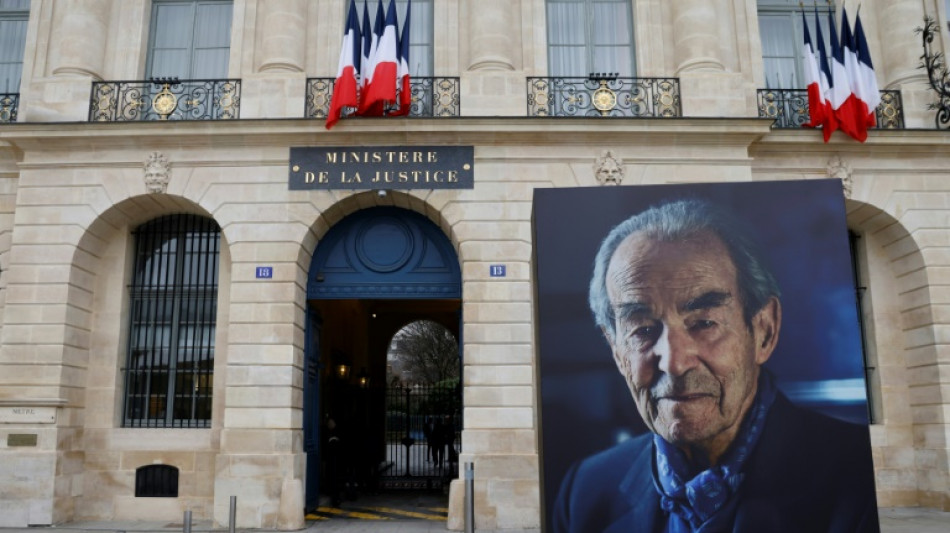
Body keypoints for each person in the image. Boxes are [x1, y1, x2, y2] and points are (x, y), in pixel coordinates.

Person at [552, 198, 879, 533]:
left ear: (764, 331)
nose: (675, 363)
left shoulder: (865, 479)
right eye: (644, 330)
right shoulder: (585, 493)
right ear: (617, 351)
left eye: (704, 323)